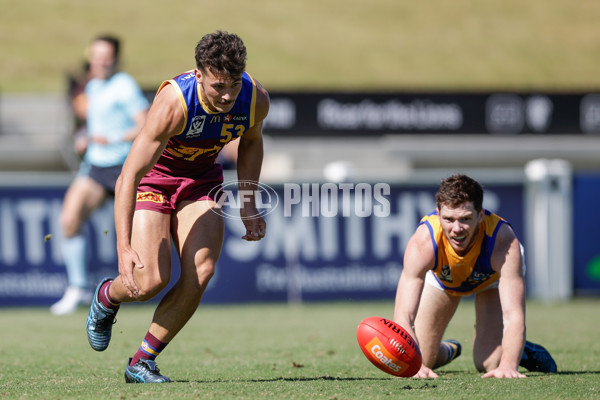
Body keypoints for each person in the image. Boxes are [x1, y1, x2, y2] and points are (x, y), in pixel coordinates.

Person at [86, 31, 269, 383]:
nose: (228, 95)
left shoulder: (254, 98)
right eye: (218, 86)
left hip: (201, 182)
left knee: (201, 271)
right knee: (149, 280)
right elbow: (128, 176)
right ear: (199, 75)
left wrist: (249, 203)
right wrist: (123, 247)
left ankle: (142, 361)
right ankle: (107, 296)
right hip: (154, 181)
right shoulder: (174, 103)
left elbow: (251, 143)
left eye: (233, 83)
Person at [393, 174, 557, 378]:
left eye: (465, 219)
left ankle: (523, 350)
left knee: (491, 362)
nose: (456, 229)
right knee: (419, 359)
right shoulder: (423, 242)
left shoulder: (502, 242)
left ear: (480, 215)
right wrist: (416, 365)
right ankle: (447, 349)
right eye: (449, 219)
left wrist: (508, 365)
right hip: (444, 281)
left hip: (491, 281)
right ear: (438, 215)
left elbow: (513, 315)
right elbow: (404, 315)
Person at [51, 35, 149, 315]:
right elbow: (95, 126)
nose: (101, 61)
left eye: (106, 56)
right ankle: (78, 288)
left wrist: (112, 137)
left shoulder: (125, 85)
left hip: (125, 168)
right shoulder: (91, 86)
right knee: (69, 219)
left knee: (141, 234)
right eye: (96, 56)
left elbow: (144, 125)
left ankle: (147, 284)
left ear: (116, 59)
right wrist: (86, 137)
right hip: (96, 167)